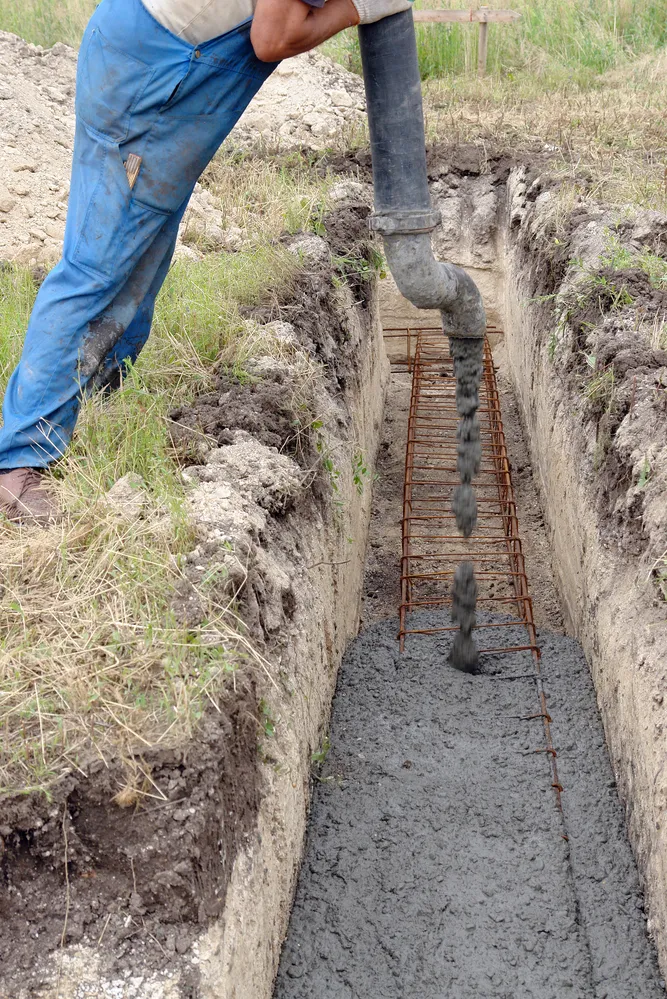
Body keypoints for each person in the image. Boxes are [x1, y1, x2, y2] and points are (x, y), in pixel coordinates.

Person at [0, 0, 412, 522]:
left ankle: (74, 421)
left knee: (137, 264)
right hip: (152, 73)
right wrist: (360, 8)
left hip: (148, 57)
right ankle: (18, 465)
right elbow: (273, 34)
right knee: (97, 269)